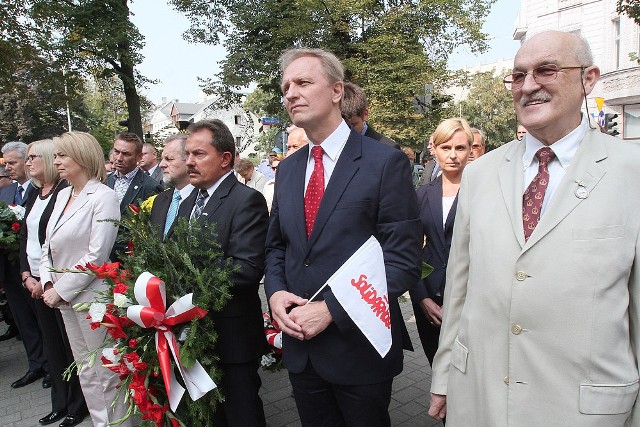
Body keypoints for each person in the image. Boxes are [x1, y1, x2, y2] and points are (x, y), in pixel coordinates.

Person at [429, 30, 640, 426]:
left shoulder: (632, 172)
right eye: (518, 75)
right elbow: (459, 289)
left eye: (546, 70)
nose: (528, 86)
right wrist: (443, 376)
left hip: (582, 411)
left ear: (589, 78)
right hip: (482, 398)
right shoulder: (482, 173)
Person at [265, 48, 421, 426]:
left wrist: (332, 310)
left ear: (337, 91)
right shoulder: (287, 171)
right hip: (302, 350)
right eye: (286, 86)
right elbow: (277, 246)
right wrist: (275, 292)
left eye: (303, 82)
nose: (290, 94)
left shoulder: (385, 163)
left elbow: (402, 261)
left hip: (359, 347)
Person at [172, 119, 269, 425]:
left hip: (231, 335)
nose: (189, 161)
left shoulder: (246, 201)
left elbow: (245, 269)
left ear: (225, 159)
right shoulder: (189, 202)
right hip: (192, 332)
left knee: (241, 413)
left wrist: (186, 283)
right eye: (187, 154)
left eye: (198, 154)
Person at [40, 131, 130, 427]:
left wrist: (60, 289)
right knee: (85, 370)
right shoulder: (64, 194)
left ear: (82, 156)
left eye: (62, 155)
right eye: (55, 156)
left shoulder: (104, 196)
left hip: (92, 299)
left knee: (106, 371)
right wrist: (48, 283)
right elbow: (48, 244)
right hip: (65, 298)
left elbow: (97, 255)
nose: (57, 162)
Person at [19, 139, 87, 426]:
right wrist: (26, 274)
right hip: (36, 280)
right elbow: (26, 236)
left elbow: (54, 241)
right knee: (52, 347)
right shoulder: (36, 194)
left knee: (70, 347)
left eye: (34, 156)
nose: (27, 162)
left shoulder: (63, 193)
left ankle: (77, 404)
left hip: (58, 284)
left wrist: (45, 282)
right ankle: (59, 402)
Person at [409, 118, 472, 368]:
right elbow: (409, 249)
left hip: (470, 299)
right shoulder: (422, 194)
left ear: (470, 150)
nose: (453, 155)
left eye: (460, 148)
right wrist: (421, 297)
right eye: (446, 148)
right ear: (434, 149)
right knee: (437, 367)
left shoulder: (482, 192)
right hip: (429, 300)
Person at [0, 141, 49, 389]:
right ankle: (36, 364)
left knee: (43, 319)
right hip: (11, 269)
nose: (7, 168)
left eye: (12, 162)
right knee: (23, 319)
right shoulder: (6, 192)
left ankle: (53, 365)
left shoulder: (41, 190)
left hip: (36, 269)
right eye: (5, 163)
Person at [106, 132, 163, 259]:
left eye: (126, 154)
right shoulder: (105, 181)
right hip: (103, 256)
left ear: (139, 157)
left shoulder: (151, 187)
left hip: (130, 260)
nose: (119, 158)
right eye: (116, 151)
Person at [149, 134, 193, 240]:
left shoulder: (202, 200)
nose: (161, 164)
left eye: (169, 159)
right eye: (162, 158)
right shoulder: (160, 200)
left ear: (189, 160)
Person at [341, 81, 400, 149]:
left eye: (352, 125)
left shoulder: (389, 147)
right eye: (342, 126)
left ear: (365, 114)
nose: (346, 131)